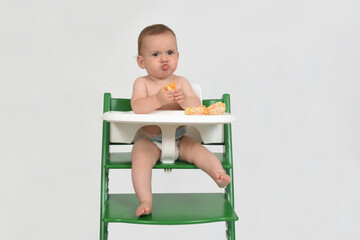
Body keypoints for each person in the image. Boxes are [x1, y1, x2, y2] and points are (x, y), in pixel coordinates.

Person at [131, 24, 231, 217]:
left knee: (199, 151)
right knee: (140, 159)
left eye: (170, 52)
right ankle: (145, 199)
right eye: (155, 54)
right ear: (141, 62)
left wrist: (185, 100)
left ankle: (217, 173)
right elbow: (137, 107)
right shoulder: (142, 83)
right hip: (149, 141)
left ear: (178, 55)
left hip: (180, 139)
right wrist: (157, 100)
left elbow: (197, 105)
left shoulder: (182, 82)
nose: (164, 59)